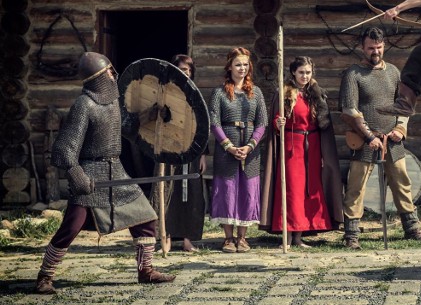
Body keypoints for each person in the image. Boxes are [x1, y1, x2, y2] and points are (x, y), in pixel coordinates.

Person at [35, 52, 175, 294]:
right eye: (109, 71)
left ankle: (146, 271)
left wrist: (149, 115)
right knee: (71, 226)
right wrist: (76, 173)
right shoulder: (84, 105)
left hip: (116, 172)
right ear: (98, 77)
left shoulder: (112, 104)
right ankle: (44, 277)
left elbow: (126, 127)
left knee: (146, 216)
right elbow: (63, 148)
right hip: (90, 172)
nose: (114, 74)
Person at [340, 27, 421, 249]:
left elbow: (404, 105)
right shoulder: (353, 74)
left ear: (384, 46)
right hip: (365, 140)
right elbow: (350, 110)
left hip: (392, 140)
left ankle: (411, 227)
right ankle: (351, 234)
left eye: (378, 47)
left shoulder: (394, 73)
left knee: (402, 183)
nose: (375, 52)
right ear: (363, 47)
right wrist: (369, 136)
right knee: (356, 186)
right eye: (370, 48)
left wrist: (400, 128)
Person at [259, 56, 343, 248]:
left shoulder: (316, 93)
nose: (305, 76)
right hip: (291, 146)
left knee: (308, 190)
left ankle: (299, 236)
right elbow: (276, 119)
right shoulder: (284, 93)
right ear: (293, 73)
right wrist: (278, 123)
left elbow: (323, 124)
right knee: (292, 191)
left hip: (312, 146)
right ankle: (287, 237)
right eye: (301, 72)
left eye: (308, 72)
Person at [208, 47, 267, 253]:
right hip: (227, 148)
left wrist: (250, 146)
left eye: (245, 64)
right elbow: (214, 123)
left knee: (248, 191)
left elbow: (262, 123)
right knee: (227, 191)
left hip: (250, 149)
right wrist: (229, 147)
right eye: (238, 64)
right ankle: (228, 238)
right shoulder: (219, 92)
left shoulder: (256, 92)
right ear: (230, 67)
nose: (242, 68)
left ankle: (243, 237)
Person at [163, 54, 208, 252]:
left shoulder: (195, 94)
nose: (185, 73)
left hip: (192, 151)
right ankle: (167, 237)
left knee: (192, 194)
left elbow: (202, 126)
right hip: (169, 149)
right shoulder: (165, 93)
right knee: (168, 192)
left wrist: (203, 154)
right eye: (181, 69)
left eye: (188, 70)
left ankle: (188, 239)